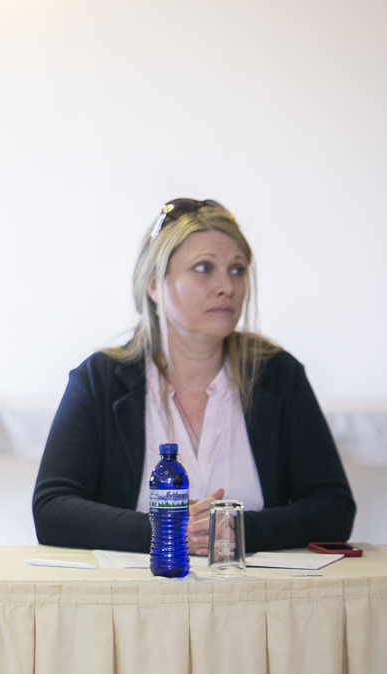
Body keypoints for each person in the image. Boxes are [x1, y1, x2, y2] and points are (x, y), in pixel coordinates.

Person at [33, 199, 355, 554]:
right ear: (154, 285)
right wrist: (163, 530)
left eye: (237, 270)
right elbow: (52, 510)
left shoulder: (278, 375)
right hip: (137, 587)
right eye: (204, 268)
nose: (227, 286)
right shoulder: (100, 380)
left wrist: (237, 528)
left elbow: (334, 509)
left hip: (252, 586)